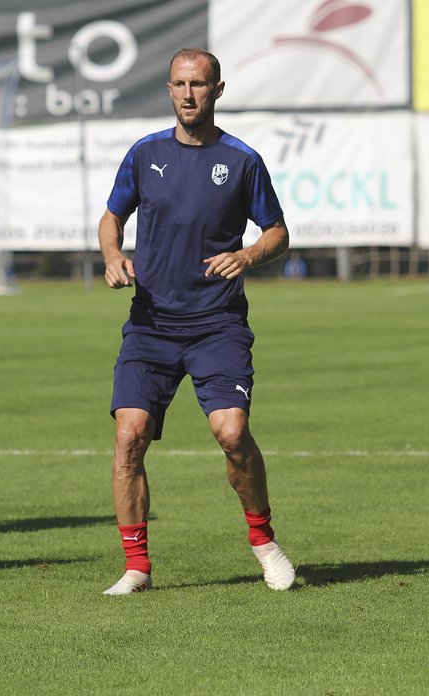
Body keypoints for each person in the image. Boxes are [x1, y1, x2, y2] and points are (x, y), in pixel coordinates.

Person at [98, 48, 296, 594]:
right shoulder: (145, 154)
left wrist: (249, 256)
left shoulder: (241, 160)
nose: (190, 94)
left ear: (218, 90)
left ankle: (264, 542)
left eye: (200, 85)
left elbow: (277, 231)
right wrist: (113, 256)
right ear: (168, 90)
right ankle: (136, 566)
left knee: (232, 433)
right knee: (129, 435)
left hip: (217, 323)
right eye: (180, 84)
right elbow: (112, 216)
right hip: (151, 324)